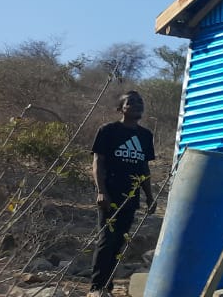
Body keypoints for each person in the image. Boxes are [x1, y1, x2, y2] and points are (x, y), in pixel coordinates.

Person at [88, 90, 155, 297]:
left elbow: (144, 168)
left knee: (119, 241)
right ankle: (97, 287)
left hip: (131, 197)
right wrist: (101, 191)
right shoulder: (108, 131)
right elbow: (98, 162)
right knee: (107, 239)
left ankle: (107, 286)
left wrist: (149, 196)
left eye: (140, 102)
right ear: (121, 108)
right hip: (110, 194)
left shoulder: (145, 136)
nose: (137, 105)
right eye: (131, 102)